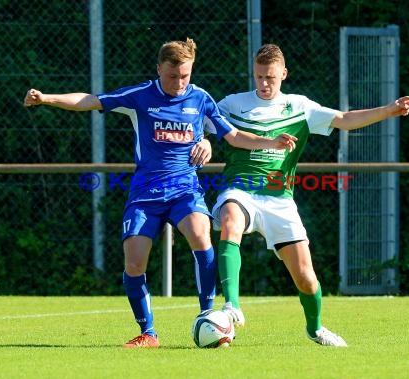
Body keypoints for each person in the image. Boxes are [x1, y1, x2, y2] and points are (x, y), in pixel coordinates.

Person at [23, 38, 297, 348]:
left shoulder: (201, 99)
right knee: (134, 263)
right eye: (172, 76)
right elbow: (90, 100)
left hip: (185, 190)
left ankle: (209, 315)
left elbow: (232, 136)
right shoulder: (140, 96)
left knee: (200, 233)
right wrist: (47, 98)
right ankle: (148, 332)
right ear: (159, 70)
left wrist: (270, 142)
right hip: (145, 194)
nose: (180, 83)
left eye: (185, 75)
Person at [210, 43, 409, 347]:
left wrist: (389, 110)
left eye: (271, 78)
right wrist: (202, 142)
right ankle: (231, 305)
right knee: (230, 218)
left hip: (280, 199)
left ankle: (316, 329)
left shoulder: (300, 107)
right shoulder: (231, 104)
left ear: (284, 74)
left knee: (306, 277)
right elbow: (197, 123)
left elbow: (344, 119)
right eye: (259, 77)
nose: (264, 84)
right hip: (241, 189)